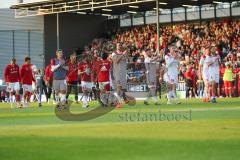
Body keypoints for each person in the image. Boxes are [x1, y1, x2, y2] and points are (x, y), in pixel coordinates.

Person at [112, 43, 128, 108]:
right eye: (118, 45)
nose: (120, 46)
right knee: (119, 87)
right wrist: (122, 55)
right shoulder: (114, 53)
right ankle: (118, 103)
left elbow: (126, 60)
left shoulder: (122, 53)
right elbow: (116, 61)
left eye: (121, 45)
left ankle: (121, 100)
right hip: (117, 72)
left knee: (121, 88)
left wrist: (126, 55)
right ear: (116, 46)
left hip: (123, 73)